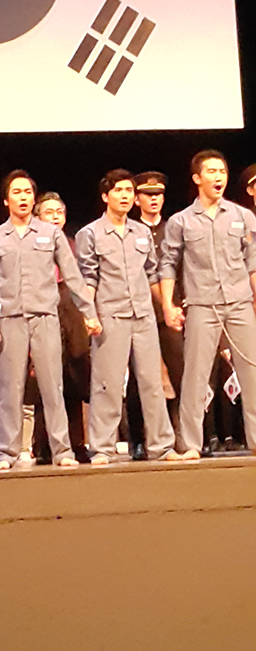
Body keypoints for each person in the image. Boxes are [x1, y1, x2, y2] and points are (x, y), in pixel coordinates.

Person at [0, 170, 100, 470]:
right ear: (6, 200)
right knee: (11, 388)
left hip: (45, 317)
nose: (23, 197)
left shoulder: (51, 234)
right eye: (17, 192)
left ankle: (62, 450)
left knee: (52, 386)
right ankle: (6, 452)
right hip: (11, 319)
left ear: (33, 199)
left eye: (27, 192)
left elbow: (72, 276)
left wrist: (89, 313)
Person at [76, 169, 178, 464]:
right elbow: (88, 278)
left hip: (143, 315)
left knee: (152, 383)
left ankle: (162, 446)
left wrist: (167, 306)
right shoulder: (90, 234)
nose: (125, 196)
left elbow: (152, 273)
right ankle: (102, 448)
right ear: (105, 196)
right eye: (118, 190)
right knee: (107, 384)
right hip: (110, 315)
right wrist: (89, 313)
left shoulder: (141, 232)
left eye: (129, 191)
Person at [160, 149, 256, 459]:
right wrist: (168, 306)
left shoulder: (243, 216)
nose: (219, 177)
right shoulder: (181, 221)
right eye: (212, 172)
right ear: (197, 178)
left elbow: (252, 263)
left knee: (252, 372)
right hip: (202, 305)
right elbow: (168, 264)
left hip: (239, 303)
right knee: (196, 376)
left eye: (222, 172)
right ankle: (190, 443)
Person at [126, 172, 185, 456]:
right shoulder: (131, 230)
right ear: (137, 199)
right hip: (141, 312)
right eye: (148, 195)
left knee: (181, 373)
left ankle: (185, 436)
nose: (154, 199)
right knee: (140, 378)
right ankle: (139, 440)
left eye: (158, 194)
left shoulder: (173, 228)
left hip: (174, 312)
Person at [33, 192, 91, 464]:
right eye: (49, 212)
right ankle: (44, 445)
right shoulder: (32, 245)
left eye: (59, 212)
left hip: (71, 308)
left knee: (74, 379)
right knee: (45, 380)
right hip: (43, 307)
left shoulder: (73, 246)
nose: (55, 217)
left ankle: (76, 443)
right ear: (37, 218)